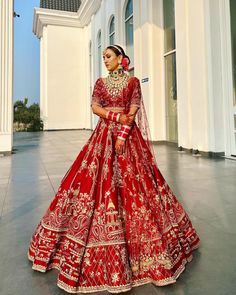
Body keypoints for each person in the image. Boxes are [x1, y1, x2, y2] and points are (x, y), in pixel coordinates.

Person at [28, 44, 200, 294]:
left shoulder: (132, 83)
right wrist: (117, 119)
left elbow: (133, 110)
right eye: (103, 57)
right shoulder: (100, 82)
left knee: (139, 187)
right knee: (92, 184)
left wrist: (122, 133)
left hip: (128, 139)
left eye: (108, 57)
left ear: (121, 58)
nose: (105, 61)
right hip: (102, 137)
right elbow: (95, 107)